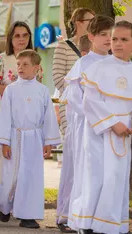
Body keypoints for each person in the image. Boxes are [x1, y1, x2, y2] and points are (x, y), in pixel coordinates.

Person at [69, 21, 132, 234]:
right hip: (99, 131)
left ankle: (111, 224)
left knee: (115, 177)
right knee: (95, 175)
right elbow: (90, 101)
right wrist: (113, 123)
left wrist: (127, 126)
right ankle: (86, 223)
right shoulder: (97, 68)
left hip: (124, 133)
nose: (118, 43)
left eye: (124, 39)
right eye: (114, 39)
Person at [58, 15, 114, 233]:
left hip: (114, 130)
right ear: (91, 37)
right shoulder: (83, 63)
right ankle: (85, 221)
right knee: (90, 173)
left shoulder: (117, 64)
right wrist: (99, 118)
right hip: (89, 128)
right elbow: (74, 98)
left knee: (110, 174)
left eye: (111, 35)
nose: (109, 39)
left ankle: (106, 220)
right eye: (103, 35)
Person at [0, 50, 61, 229]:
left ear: (36, 68)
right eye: (18, 64)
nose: (21, 68)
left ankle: (28, 215)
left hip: (34, 138)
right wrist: (4, 142)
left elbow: (48, 118)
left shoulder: (43, 90)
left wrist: (48, 141)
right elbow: (5, 115)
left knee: (31, 176)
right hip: (15, 136)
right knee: (11, 176)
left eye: (25, 64)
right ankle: (4, 205)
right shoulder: (11, 89)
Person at [53, 7, 95, 232]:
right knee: (72, 161)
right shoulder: (64, 46)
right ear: (78, 22)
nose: (93, 23)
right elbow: (59, 78)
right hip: (71, 110)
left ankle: (85, 214)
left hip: (95, 114)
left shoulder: (98, 49)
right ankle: (65, 214)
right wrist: (79, 94)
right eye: (90, 20)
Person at [0, 21, 43, 188]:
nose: (21, 39)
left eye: (25, 35)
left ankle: (23, 197)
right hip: (6, 113)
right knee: (5, 154)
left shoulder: (35, 59)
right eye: (17, 35)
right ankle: (4, 197)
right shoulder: (2, 59)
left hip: (28, 115)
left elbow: (39, 89)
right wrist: (17, 90)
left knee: (26, 156)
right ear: (10, 38)